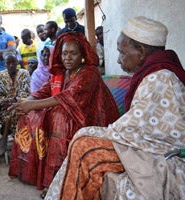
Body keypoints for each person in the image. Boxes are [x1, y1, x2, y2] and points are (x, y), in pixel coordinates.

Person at [45, 16, 185, 200]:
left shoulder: (160, 78)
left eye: (122, 52)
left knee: (84, 146)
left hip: (160, 153)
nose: (118, 61)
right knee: (82, 139)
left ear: (141, 51)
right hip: (148, 145)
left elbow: (134, 131)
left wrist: (91, 133)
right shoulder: (156, 72)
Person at [8, 32, 120, 195]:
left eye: (73, 53)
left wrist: (32, 104)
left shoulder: (89, 72)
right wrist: (27, 102)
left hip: (91, 118)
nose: (67, 58)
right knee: (30, 115)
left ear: (82, 55)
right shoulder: (61, 72)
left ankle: (57, 182)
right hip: (69, 113)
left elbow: (68, 97)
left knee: (59, 119)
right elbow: (45, 91)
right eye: (64, 53)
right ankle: (33, 172)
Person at [0, 51, 30, 156]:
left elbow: (26, 93)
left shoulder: (24, 73)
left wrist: (14, 100)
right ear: (4, 63)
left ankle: (6, 139)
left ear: (17, 61)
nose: (11, 65)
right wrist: (5, 101)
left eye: (13, 62)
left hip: (21, 105)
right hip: (5, 108)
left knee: (16, 111)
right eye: (8, 63)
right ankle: (15, 141)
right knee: (10, 112)